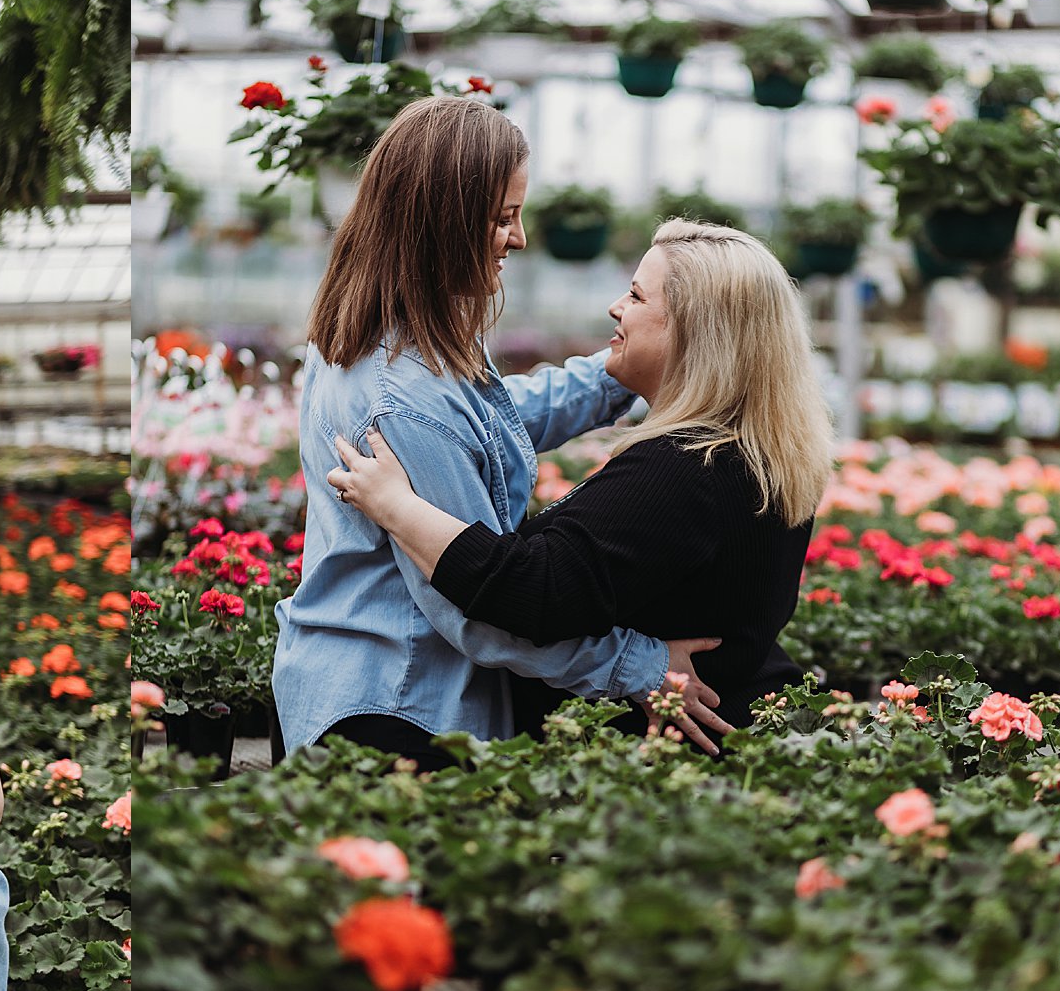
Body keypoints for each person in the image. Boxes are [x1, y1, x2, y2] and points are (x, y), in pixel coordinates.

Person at [270, 97, 729, 770]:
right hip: (395, 714)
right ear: (443, 225)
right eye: (502, 218)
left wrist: (615, 373)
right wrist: (639, 665)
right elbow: (473, 602)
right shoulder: (405, 398)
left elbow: (490, 422)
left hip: (350, 683)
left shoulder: (391, 338)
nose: (517, 237)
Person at [326, 219, 833, 737]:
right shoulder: (748, 452)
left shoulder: (686, 467)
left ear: (695, 330)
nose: (616, 307)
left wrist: (394, 504)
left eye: (636, 296)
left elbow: (530, 589)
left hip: (648, 768)